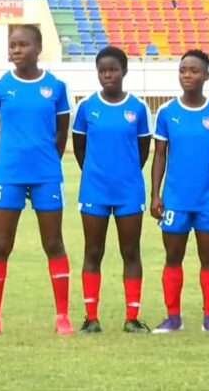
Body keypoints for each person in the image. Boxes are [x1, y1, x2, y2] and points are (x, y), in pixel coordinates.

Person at [0, 24, 73, 337]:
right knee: (1, 244)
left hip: (47, 175)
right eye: (12, 45)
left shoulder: (56, 87)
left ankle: (63, 317)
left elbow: (61, 133)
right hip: (9, 175)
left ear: (38, 48)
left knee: (54, 243)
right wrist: (8, 161)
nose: (16, 50)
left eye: (22, 44)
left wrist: (45, 161)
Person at [149, 49, 209, 334]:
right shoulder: (167, 112)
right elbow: (160, 155)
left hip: (208, 200)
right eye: (183, 70)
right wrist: (155, 194)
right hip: (175, 200)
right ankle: (173, 318)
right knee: (173, 257)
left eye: (194, 71)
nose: (187, 75)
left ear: (206, 75)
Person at [72, 46, 152, 334]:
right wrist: (97, 173)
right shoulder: (86, 107)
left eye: (113, 70)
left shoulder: (138, 108)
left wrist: (125, 173)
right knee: (93, 251)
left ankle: (132, 318)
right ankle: (91, 318)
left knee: (130, 251)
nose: (108, 75)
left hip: (129, 191)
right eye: (103, 70)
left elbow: (143, 150)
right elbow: (80, 148)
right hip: (94, 190)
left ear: (124, 71)